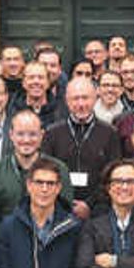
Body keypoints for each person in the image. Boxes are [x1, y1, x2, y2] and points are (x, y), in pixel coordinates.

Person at [0, 110, 74, 242]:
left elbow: (66, 214)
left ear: (42, 135)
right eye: (20, 134)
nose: (26, 140)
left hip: (50, 244)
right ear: (11, 135)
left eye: (32, 134)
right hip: (8, 247)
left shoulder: (59, 169)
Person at [43, 77, 122, 214]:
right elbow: (46, 172)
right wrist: (65, 203)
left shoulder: (110, 133)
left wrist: (89, 205)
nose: (81, 104)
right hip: (58, 209)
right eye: (75, 98)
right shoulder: (52, 133)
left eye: (85, 98)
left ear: (95, 98)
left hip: (99, 210)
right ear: (67, 101)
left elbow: (112, 175)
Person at [10, 61, 66, 130]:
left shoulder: (61, 110)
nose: (36, 81)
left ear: (48, 82)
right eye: (31, 77)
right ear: (23, 83)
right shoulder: (12, 109)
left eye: (41, 77)